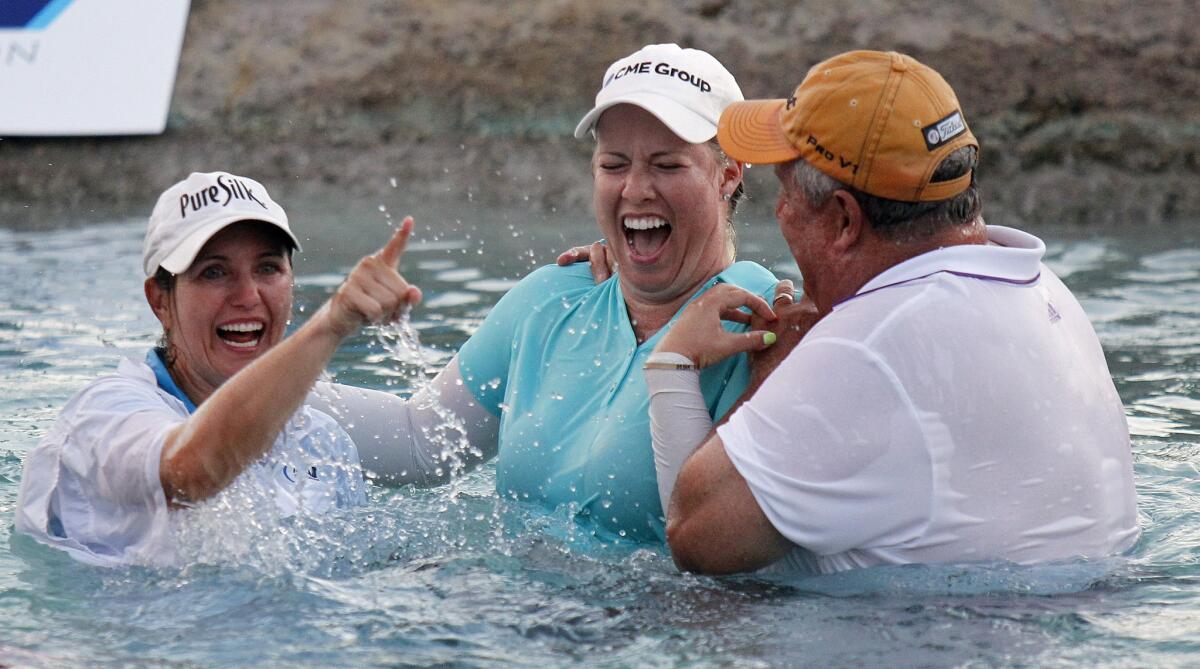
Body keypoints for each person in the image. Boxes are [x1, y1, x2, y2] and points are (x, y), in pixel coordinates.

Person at [642, 50, 1140, 574]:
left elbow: (696, 541)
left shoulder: (867, 350)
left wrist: (690, 364)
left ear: (844, 220)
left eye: (786, 192)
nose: (780, 211)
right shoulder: (1044, 289)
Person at [307, 43, 779, 543]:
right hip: (503, 611)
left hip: (655, 619)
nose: (636, 189)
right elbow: (423, 441)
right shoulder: (554, 298)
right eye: (614, 165)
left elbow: (733, 548)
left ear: (727, 174)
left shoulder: (768, 326)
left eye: (667, 165)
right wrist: (234, 385)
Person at [15, 171, 422, 566]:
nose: (248, 296)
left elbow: (352, 569)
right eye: (214, 272)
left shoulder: (321, 441)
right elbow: (192, 472)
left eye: (267, 268)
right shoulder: (103, 418)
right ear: (160, 301)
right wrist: (332, 323)